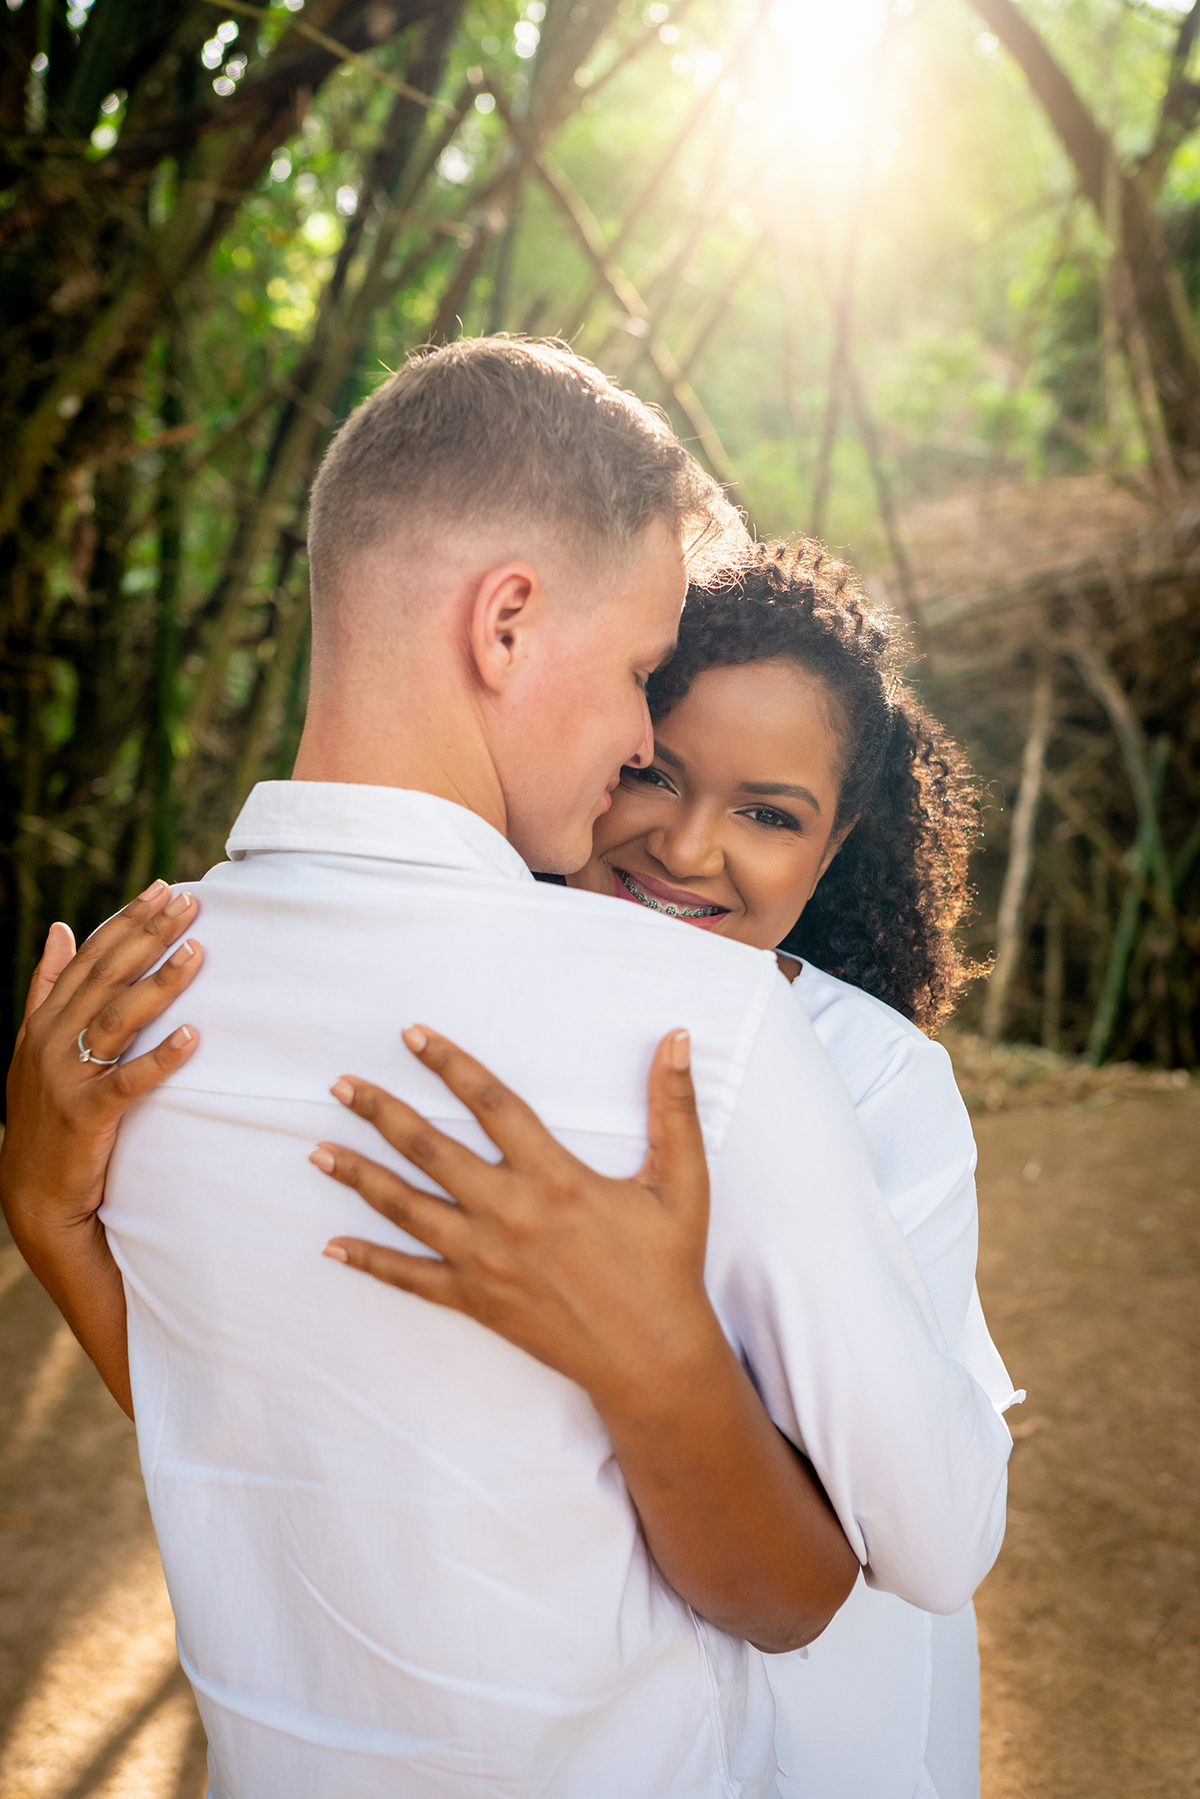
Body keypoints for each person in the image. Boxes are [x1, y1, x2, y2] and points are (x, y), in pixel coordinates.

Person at [1, 339, 1012, 1799]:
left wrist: (50, 1217)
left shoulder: (143, 997)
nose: (633, 756)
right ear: (508, 622)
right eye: (640, 687)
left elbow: (248, 1452)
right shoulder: (706, 1032)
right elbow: (931, 1535)